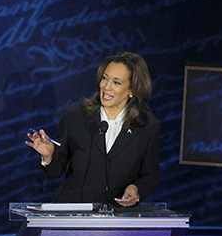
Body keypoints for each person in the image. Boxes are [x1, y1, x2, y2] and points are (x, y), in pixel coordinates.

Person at [26, 52, 160, 205]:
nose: (106, 86)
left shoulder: (147, 127)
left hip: (116, 218)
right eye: (105, 78)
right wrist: (49, 156)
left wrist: (136, 189)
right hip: (73, 215)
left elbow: (151, 175)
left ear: (133, 90)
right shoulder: (75, 115)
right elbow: (56, 171)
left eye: (116, 82)